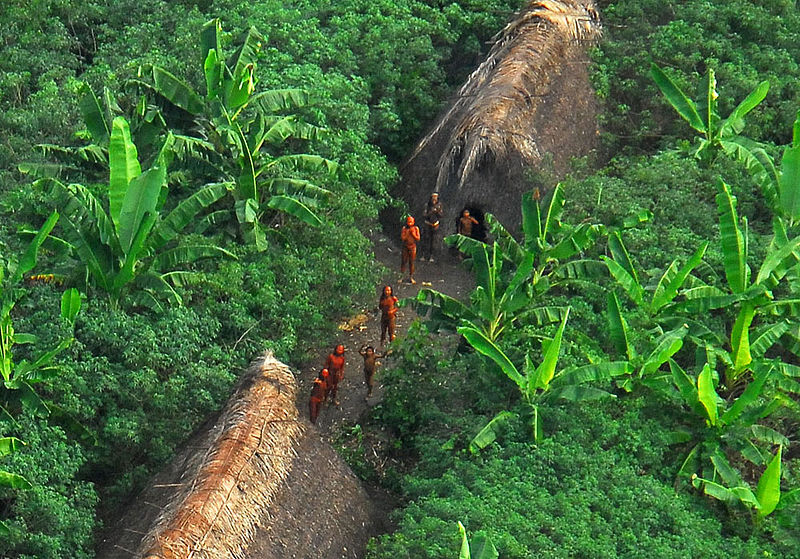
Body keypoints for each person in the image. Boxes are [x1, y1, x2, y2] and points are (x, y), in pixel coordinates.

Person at [422, 193, 443, 262]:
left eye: (436, 197)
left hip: (435, 225)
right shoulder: (427, 205)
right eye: (433, 197)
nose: (434, 199)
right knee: (426, 239)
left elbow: (441, 215)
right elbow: (424, 215)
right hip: (427, 224)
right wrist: (431, 212)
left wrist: (437, 211)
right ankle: (424, 255)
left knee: (433, 241)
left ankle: (432, 256)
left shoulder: (439, 205)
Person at [400, 215, 421, 284]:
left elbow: (418, 238)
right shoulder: (404, 229)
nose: (410, 223)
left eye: (411, 222)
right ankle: (401, 276)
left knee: (411, 262)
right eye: (408, 222)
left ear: (414, 222)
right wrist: (408, 233)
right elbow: (403, 238)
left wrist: (413, 233)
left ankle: (411, 277)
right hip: (405, 247)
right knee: (403, 262)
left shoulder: (416, 228)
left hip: (412, 247)